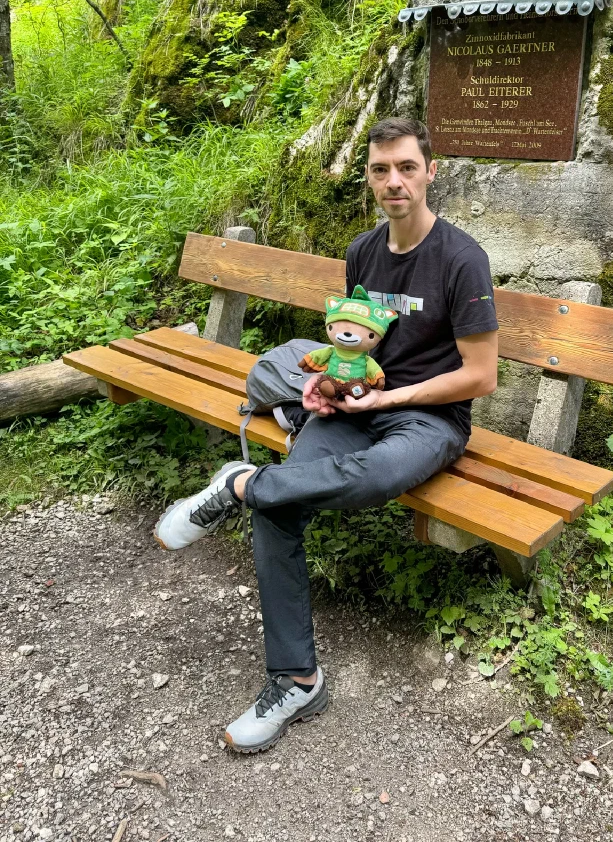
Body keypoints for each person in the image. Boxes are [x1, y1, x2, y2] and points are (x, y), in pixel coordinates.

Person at [154, 117, 499, 753]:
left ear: (430, 172)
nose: (394, 182)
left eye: (407, 167)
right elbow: (355, 345)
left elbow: (481, 375)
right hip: (358, 406)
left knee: (374, 477)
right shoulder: (363, 251)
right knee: (279, 508)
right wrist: (329, 385)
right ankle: (297, 680)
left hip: (429, 418)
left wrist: (390, 396)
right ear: (368, 177)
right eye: (380, 170)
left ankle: (240, 484)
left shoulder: (461, 259)